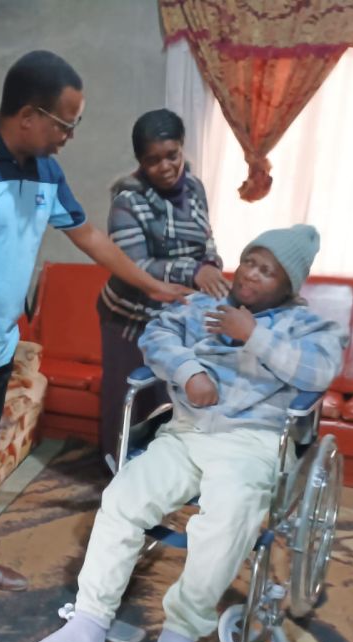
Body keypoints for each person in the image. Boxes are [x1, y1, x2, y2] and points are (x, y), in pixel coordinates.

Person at [0, 50, 192, 622]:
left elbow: (89, 237)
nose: (69, 137)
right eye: (65, 124)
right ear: (30, 116)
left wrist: (153, 286)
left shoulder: (44, 171)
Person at [29, 225, 346, 642]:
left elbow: (320, 371)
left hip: (251, 441)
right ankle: (88, 626)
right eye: (250, 261)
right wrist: (189, 370)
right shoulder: (201, 304)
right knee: (123, 498)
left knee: (227, 521)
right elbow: (156, 336)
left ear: (288, 284)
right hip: (186, 430)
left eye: (267, 271)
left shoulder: (311, 327)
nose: (251, 274)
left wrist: (254, 335)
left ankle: (179, 634)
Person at [97, 108, 227, 465]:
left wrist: (211, 264)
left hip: (176, 316)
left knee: (169, 397)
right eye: (153, 161)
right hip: (130, 317)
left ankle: (160, 472)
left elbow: (206, 238)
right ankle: (116, 471)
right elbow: (135, 267)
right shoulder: (127, 202)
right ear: (140, 161)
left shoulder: (195, 187)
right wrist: (193, 271)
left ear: (182, 147)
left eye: (172, 155)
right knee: (128, 398)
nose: (166, 167)